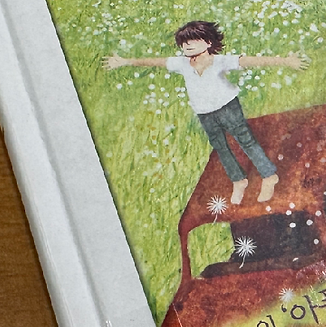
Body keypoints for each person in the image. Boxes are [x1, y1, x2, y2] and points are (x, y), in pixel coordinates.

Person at [104, 21, 308, 204]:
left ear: (208, 42)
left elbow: (250, 61)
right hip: (204, 113)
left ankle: (269, 176)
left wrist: (285, 61)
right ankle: (238, 181)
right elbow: (155, 62)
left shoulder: (219, 61)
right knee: (220, 147)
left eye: (193, 41)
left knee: (246, 141)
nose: (188, 46)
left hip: (228, 108)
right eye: (184, 43)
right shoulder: (182, 63)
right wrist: (125, 61)